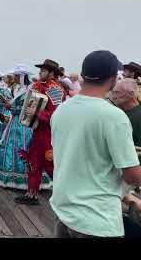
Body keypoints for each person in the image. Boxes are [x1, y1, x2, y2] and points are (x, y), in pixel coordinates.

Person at [50, 51, 141, 238]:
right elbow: (132, 176)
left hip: (64, 214)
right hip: (97, 220)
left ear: (83, 75)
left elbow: (79, 151)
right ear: (114, 79)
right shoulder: (114, 116)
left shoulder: (62, 110)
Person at [0, 64, 51, 190]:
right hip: (15, 122)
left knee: (22, 147)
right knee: (12, 146)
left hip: (24, 124)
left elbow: (29, 108)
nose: (14, 78)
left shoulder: (30, 89)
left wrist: (11, 107)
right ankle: (13, 177)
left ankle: (23, 178)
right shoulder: (18, 89)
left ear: (22, 77)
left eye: (16, 76)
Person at [15, 59, 65, 205]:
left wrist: (36, 113)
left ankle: (67, 196)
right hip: (38, 132)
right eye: (40, 70)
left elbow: (56, 114)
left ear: (52, 73)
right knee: (33, 163)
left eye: (43, 70)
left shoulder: (55, 89)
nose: (40, 72)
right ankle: (31, 194)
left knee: (51, 166)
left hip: (48, 134)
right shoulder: (39, 86)